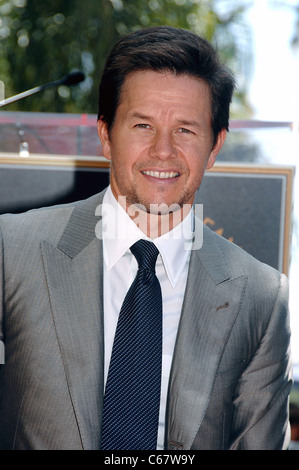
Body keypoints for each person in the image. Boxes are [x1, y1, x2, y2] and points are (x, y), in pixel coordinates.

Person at [0, 26, 292, 450]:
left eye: (186, 131)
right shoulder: (12, 250)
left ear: (215, 147)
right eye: (142, 125)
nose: (162, 151)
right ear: (106, 134)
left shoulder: (262, 299)